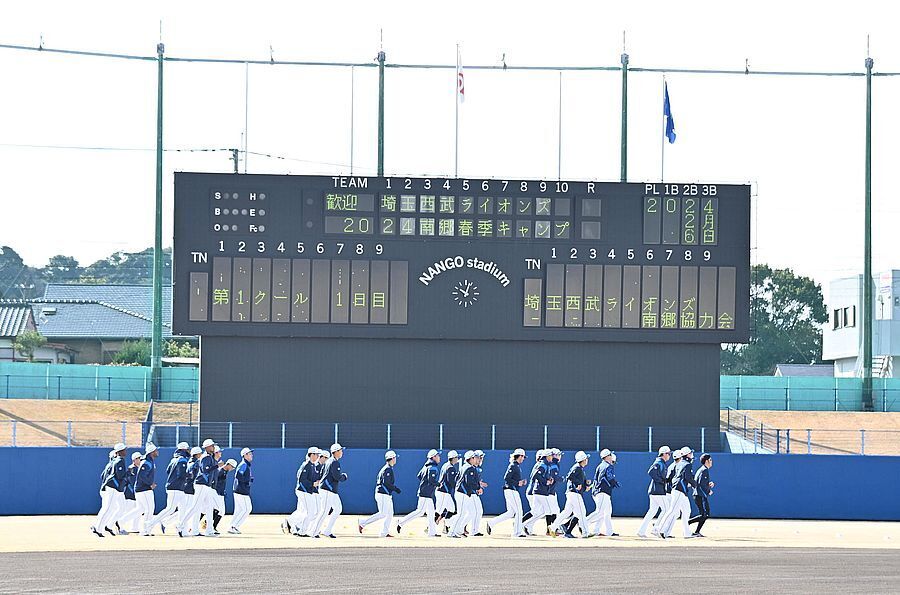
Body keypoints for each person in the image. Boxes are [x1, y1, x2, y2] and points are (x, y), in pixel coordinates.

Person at [179, 438, 222, 538]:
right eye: (212, 445)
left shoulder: (210, 457)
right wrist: (217, 466)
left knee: (209, 508)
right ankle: (180, 525)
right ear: (207, 447)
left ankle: (209, 530)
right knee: (195, 507)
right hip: (201, 484)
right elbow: (205, 470)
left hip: (206, 485)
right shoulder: (205, 457)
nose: (213, 447)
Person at [147, 442, 190, 534]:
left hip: (177, 487)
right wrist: (190, 475)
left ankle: (182, 529)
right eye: (187, 449)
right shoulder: (182, 460)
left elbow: (168, 471)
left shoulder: (173, 459)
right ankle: (150, 523)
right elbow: (182, 475)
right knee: (170, 509)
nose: (188, 451)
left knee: (183, 509)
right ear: (184, 450)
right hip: (176, 487)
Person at [397, 449, 441, 537]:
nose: (439, 457)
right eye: (438, 456)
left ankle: (431, 532)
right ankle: (401, 522)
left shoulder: (426, 466)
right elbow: (431, 480)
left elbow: (419, 476)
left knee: (431, 512)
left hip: (426, 492)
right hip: (426, 493)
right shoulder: (432, 467)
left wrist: (425, 484)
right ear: (433, 457)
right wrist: (438, 484)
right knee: (420, 512)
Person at [550, 450, 591, 538]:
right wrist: (578, 484)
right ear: (583, 459)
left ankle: (553, 527)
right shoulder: (577, 467)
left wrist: (585, 485)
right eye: (586, 458)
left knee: (567, 512)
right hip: (574, 494)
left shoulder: (579, 468)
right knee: (582, 512)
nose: (587, 459)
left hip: (572, 493)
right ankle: (585, 532)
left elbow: (578, 481)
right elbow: (569, 477)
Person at [658, 447, 697, 539]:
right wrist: (696, 486)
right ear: (687, 455)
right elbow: (688, 478)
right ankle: (660, 529)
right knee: (672, 510)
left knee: (687, 511)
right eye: (690, 453)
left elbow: (671, 477)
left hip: (680, 491)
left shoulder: (679, 463)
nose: (692, 454)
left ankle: (687, 533)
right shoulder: (687, 464)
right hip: (679, 490)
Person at [359, 451, 400, 537]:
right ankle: (363, 523)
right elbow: (387, 483)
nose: (395, 459)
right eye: (395, 457)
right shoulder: (387, 469)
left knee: (390, 513)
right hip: (383, 494)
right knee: (383, 513)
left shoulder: (388, 468)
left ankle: (384, 532)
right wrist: (395, 489)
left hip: (386, 494)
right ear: (392, 458)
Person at [487, 448, 527, 537]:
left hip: (511, 490)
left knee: (510, 513)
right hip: (511, 490)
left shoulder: (515, 466)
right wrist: (518, 483)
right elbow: (506, 478)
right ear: (520, 456)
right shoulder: (513, 465)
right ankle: (517, 532)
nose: (523, 459)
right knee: (519, 511)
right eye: (523, 457)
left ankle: (491, 523)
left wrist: (520, 483)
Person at [91, 443, 127, 537]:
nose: (125, 451)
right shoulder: (119, 461)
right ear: (120, 451)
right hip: (112, 487)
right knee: (108, 509)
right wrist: (128, 473)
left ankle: (97, 527)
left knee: (109, 508)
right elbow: (120, 476)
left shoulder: (114, 461)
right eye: (124, 449)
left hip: (111, 487)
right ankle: (97, 528)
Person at [638, 446, 672, 538]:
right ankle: (656, 529)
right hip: (658, 491)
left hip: (655, 491)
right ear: (664, 454)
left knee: (652, 512)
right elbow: (651, 472)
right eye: (668, 454)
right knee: (667, 509)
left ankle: (641, 531)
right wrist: (661, 481)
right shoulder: (659, 462)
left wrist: (665, 480)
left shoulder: (662, 463)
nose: (669, 455)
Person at [286, 447, 319, 536]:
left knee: (311, 512)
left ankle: (297, 528)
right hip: (303, 491)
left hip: (307, 491)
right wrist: (313, 484)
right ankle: (295, 526)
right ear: (311, 455)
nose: (318, 456)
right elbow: (302, 480)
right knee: (310, 512)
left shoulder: (312, 465)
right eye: (316, 454)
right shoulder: (306, 465)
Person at [586, 449, 619, 537]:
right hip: (602, 491)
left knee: (607, 512)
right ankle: (583, 523)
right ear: (607, 456)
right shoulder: (607, 466)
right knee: (600, 512)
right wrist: (613, 482)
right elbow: (608, 478)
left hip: (601, 491)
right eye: (611, 455)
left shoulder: (601, 465)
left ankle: (605, 531)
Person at [522, 450, 555, 536]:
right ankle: (550, 530)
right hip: (540, 491)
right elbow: (535, 475)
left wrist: (548, 479)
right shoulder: (543, 464)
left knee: (535, 512)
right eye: (551, 455)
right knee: (549, 511)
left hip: (537, 491)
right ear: (547, 456)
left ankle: (522, 524)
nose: (552, 457)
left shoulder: (545, 465)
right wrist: (545, 481)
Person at [318, 443, 348, 538]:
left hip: (331, 490)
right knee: (324, 511)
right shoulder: (334, 462)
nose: (342, 452)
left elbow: (322, 473)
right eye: (340, 450)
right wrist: (344, 476)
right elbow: (337, 476)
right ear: (336, 452)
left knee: (338, 508)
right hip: (328, 489)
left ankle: (327, 530)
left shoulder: (330, 461)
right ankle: (313, 530)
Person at [449, 451, 482, 538]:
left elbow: (457, 478)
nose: (476, 459)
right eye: (474, 457)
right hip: (462, 493)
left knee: (463, 513)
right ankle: (452, 532)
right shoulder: (469, 468)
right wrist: (478, 488)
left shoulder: (464, 467)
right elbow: (469, 482)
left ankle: (457, 530)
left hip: (461, 493)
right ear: (471, 459)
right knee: (461, 513)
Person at [114, 452, 143, 534]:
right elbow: (133, 482)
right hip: (130, 495)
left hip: (137, 494)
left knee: (138, 512)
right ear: (134, 460)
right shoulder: (132, 468)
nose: (140, 460)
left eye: (141, 458)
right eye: (139, 458)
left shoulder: (140, 468)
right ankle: (118, 527)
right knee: (125, 512)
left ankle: (135, 528)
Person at [133, 443, 159, 536]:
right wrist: (150, 484)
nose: (157, 452)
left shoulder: (149, 461)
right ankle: (145, 530)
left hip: (144, 489)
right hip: (143, 489)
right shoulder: (146, 462)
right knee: (149, 509)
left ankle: (146, 530)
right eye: (156, 450)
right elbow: (142, 476)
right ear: (152, 452)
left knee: (145, 509)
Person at [689, 453, 714, 537]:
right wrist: (708, 491)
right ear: (706, 461)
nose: (711, 462)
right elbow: (700, 484)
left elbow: (702, 483)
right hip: (700, 495)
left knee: (705, 514)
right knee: (705, 514)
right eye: (710, 460)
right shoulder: (704, 470)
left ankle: (696, 531)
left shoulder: (702, 469)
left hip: (699, 494)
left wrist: (708, 484)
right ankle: (687, 523)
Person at [435, 450, 460, 532]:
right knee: (439, 510)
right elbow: (451, 481)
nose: (458, 459)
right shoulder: (450, 467)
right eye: (457, 457)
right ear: (453, 458)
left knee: (451, 509)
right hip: (443, 492)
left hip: (444, 492)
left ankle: (446, 526)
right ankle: (430, 527)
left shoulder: (446, 465)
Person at [230, 448, 254, 534]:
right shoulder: (243, 464)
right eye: (249, 454)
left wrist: (248, 479)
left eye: (251, 453)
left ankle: (232, 526)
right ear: (244, 455)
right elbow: (238, 475)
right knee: (247, 509)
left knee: (239, 510)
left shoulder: (246, 465)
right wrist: (246, 480)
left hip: (240, 490)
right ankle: (234, 526)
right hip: (241, 490)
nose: (251, 455)